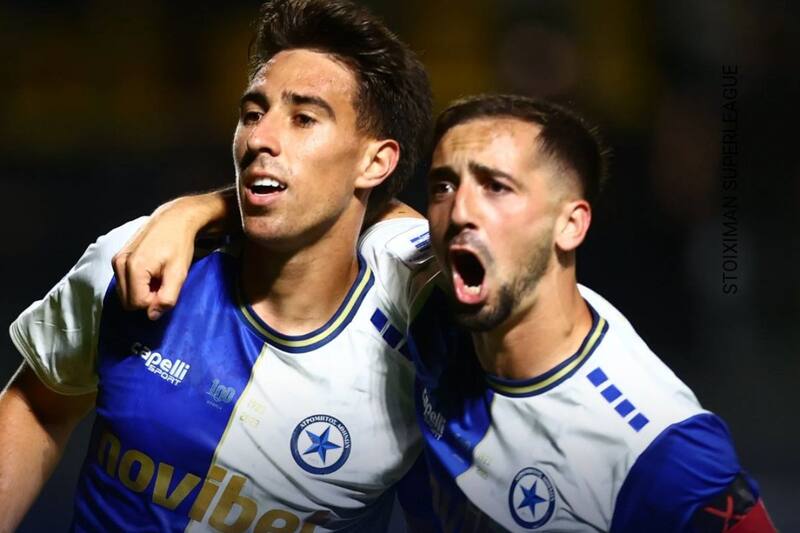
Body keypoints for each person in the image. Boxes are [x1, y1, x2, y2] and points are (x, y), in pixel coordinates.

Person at [117, 95, 776, 532]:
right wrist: (191, 212)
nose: (460, 211)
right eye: (444, 185)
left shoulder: (655, 442)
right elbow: (320, 203)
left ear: (570, 225)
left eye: (497, 187)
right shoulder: (426, 283)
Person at [0, 0, 436, 531]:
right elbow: (38, 405)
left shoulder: (419, 329)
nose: (259, 139)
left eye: (303, 118)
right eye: (252, 114)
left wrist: (198, 207)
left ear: (376, 161)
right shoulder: (139, 261)